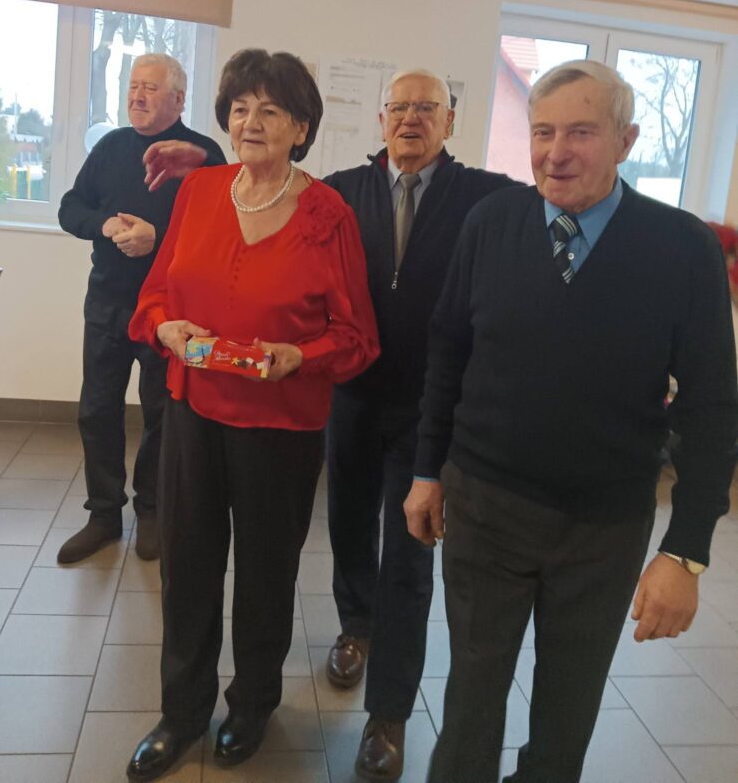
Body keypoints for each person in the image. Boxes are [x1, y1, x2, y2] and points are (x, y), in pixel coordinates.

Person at [404, 59, 738, 783]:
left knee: (566, 713)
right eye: (542, 132)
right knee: (470, 703)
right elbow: (448, 351)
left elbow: (713, 407)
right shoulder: (491, 223)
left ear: (626, 141)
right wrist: (427, 470)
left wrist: (685, 552)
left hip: (603, 527)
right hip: (485, 507)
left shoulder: (683, 249)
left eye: (580, 132)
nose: (556, 153)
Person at [125, 49, 380, 782]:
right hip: (194, 414)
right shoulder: (200, 190)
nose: (251, 122)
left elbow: (356, 336)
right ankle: (181, 713)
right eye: (239, 109)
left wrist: (300, 355)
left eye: (270, 110)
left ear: (301, 127)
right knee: (187, 568)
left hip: (281, 428)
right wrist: (167, 327)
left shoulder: (328, 215)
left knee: (267, 574)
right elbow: (155, 294)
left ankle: (252, 704)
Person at [323, 69, 517, 781]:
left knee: (409, 557)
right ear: (380, 120)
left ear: (450, 121)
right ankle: (355, 626)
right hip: (350, 395)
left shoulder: (486, 197)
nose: (410, 118)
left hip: (430, 410)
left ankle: (389, 714)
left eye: (426, 108)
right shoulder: (342, 191)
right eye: (399, 107)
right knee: (347, 524)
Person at [57, 54, 226, 564]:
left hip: (170, 313)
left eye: (150, 87)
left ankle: (151, 510)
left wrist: (161, 237)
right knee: (97, 410)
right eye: (133, 86)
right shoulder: (110, 147)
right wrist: (105, 224)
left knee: (161, 413)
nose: (137, 95)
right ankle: (103, 514)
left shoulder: (204, 156)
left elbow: (221, 228)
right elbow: (70, 207)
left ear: (179, 98)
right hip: (107, 303)